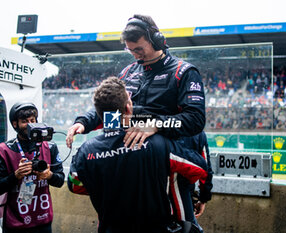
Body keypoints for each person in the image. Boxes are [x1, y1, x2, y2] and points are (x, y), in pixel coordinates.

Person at [66, 14, 212, 229]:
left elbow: (195, 121)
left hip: (171, 162)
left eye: (139, 49)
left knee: (185, 224)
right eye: (130, 50)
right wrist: (84, 123)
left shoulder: (184, 72)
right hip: (137, 160)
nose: (135, 54)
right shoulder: (128, 73)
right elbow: (113, 108)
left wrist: (156, 124)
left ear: (157, 41)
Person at [68, 77, 208, 233]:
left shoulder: (86, 151)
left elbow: (75, 185)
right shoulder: (158, 143)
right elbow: (200, 169)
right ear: (128, 107)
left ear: (99, 113)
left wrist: (108, 186)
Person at [0, 102, 65, 233]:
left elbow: (60, 180)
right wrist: (16, 176)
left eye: (33, 120)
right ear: (15, 124)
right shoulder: (2, 150)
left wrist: (49, 176)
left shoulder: (50, 147)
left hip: (43, 220)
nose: (30, 125)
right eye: (25, 121)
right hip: (15, 223)